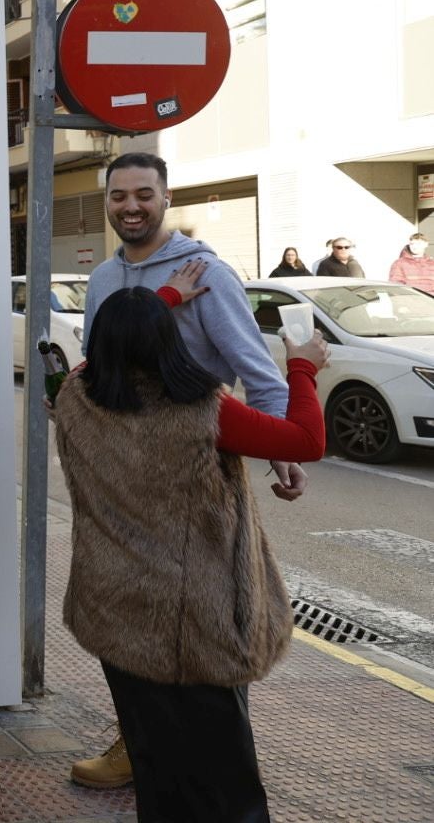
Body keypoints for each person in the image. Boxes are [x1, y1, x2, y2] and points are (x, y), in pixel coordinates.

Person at [56, 287, 329, 821]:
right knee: (227, 783)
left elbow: (102, 354)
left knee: (155, 769)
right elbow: (304, 440)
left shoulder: (74, 396)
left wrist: (162, 296)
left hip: (115, 608)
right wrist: (302, 368)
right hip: (197, 620)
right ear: (167, 340)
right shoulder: (202, 410)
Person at [72, 151, 299, 790]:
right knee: (131, 622)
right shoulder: (101, 282)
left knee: (209, 634)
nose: (131, 206)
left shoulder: (210, 274)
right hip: (124, 490)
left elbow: (258, 374)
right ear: (108, 201)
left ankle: (224, 776)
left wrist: (280, 450)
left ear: (166, 198)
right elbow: (98, 369)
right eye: (119, 196)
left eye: (144, 194)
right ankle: (137, 744)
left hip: (197, 488)